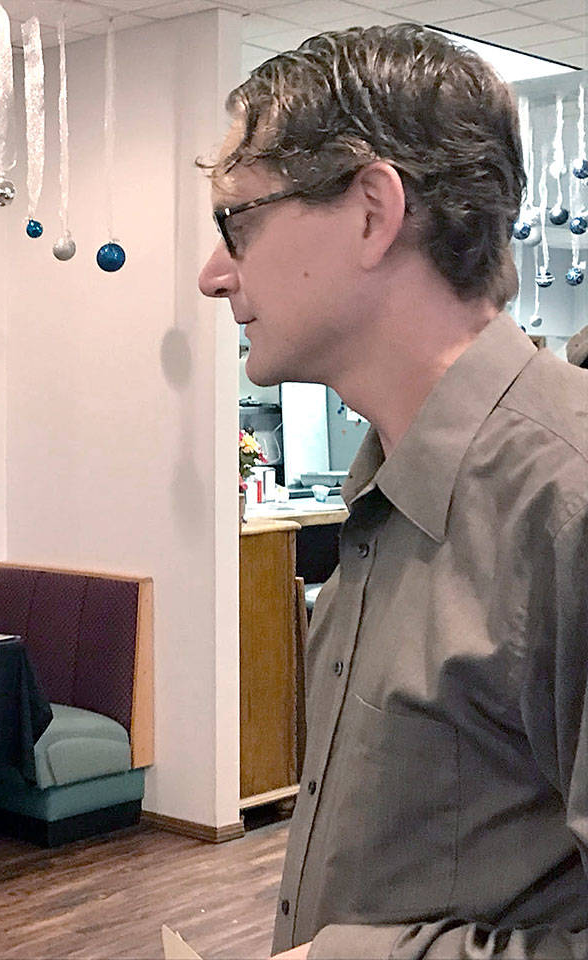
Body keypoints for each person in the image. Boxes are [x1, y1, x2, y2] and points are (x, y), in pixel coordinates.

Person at [199, 24, 588, 959]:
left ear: (373, 212)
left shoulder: (565, 502)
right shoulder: (385, 500)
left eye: (237, 221)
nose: (213, 275)